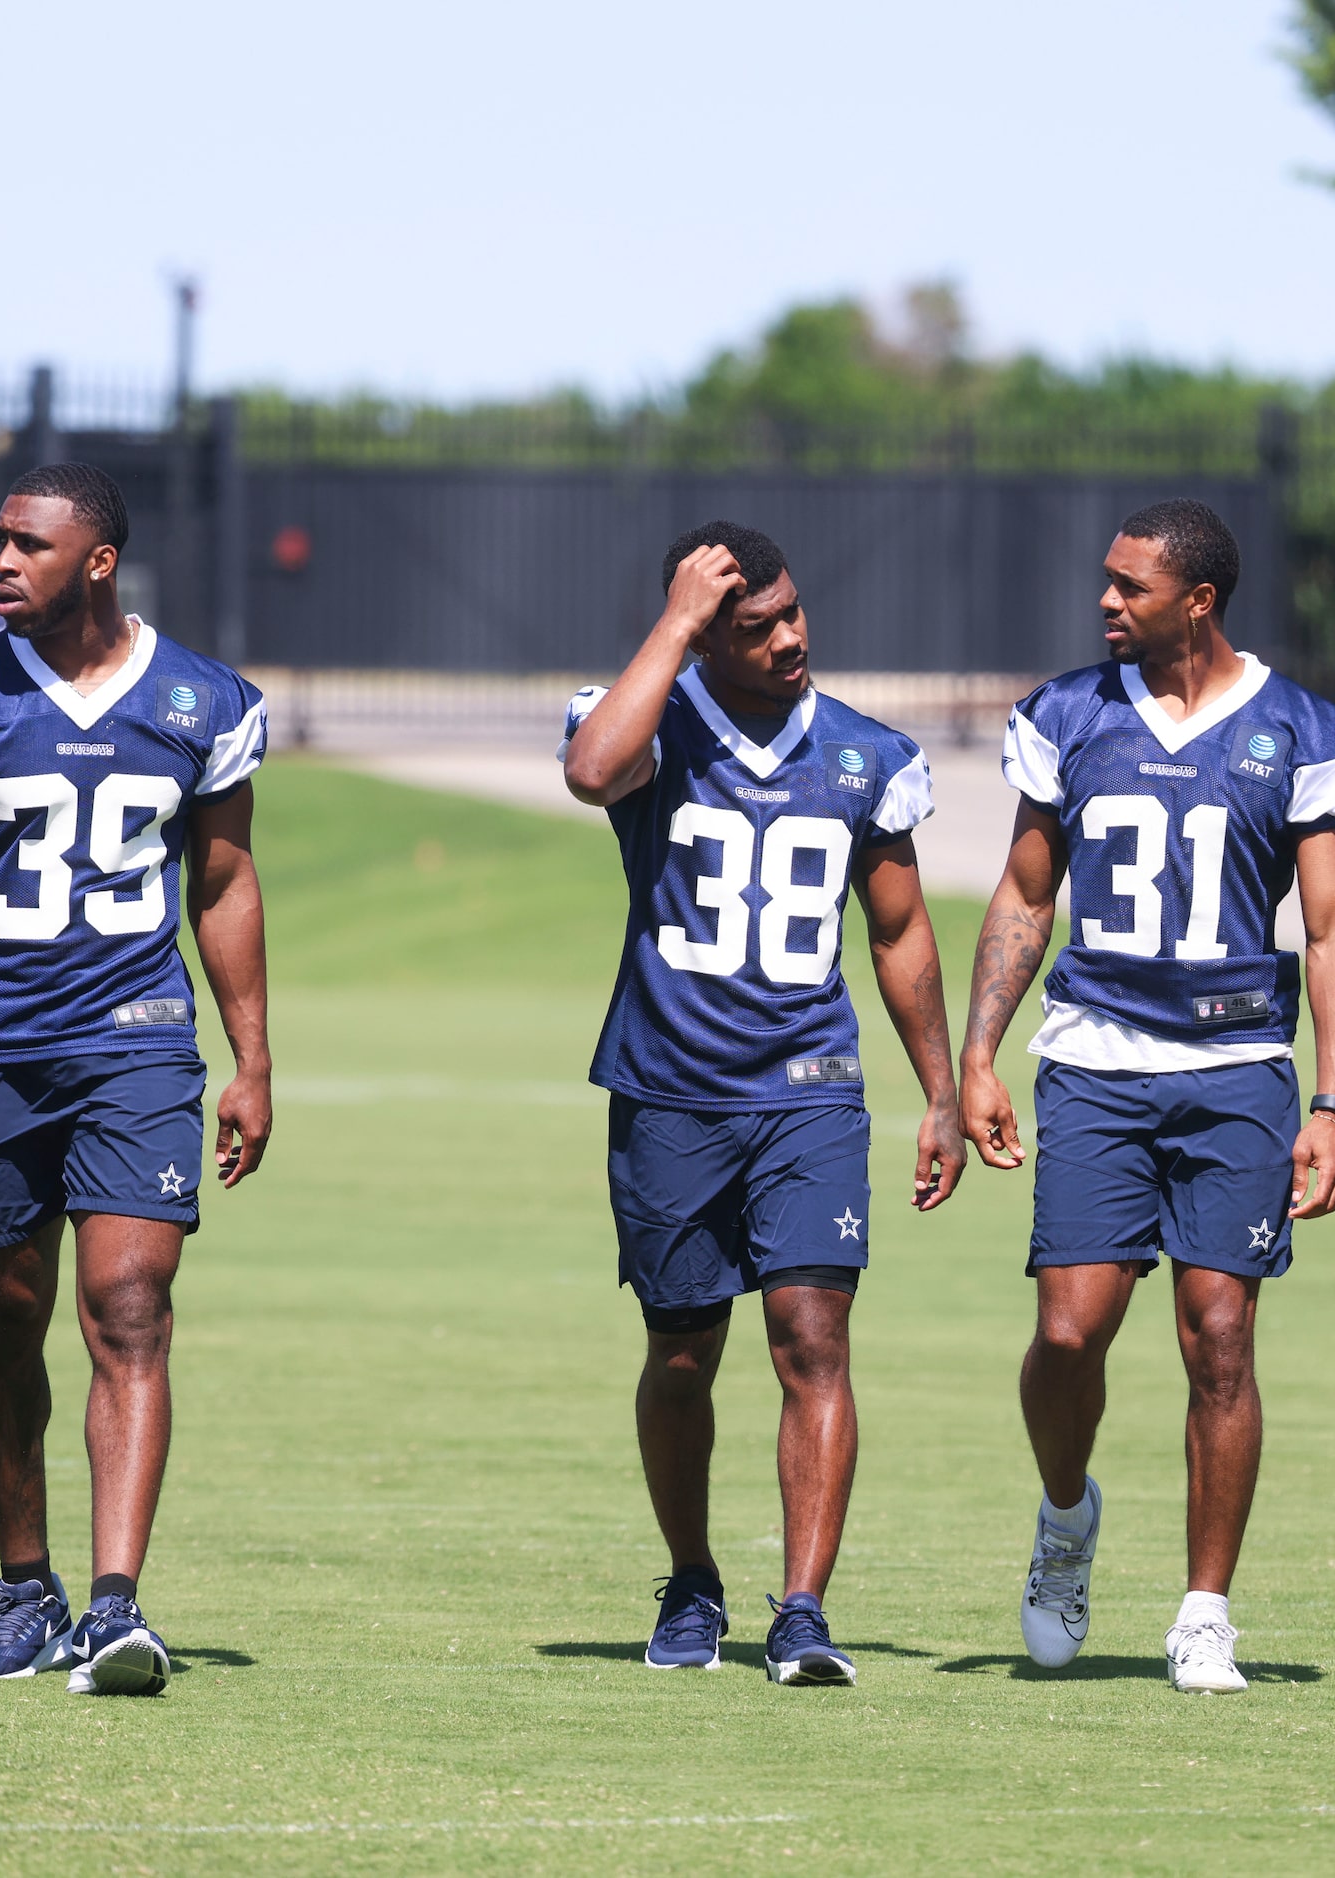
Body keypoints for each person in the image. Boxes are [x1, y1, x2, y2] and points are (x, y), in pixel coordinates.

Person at [958, 498, 1335, 1694]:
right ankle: (1064, 1516)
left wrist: (1331, 1107)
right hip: (1093, 1061)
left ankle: (1203, 1610)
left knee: (1220, 1341)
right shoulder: (1066, 716)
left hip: (1237, 1070)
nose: (1104, 602)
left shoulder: (1298, 729)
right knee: (1067, 1331)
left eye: (1128, 586)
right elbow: (1025, 896)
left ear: (1195, 601)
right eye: (1104, 580)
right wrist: (982, 1053)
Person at [0, 464, 271, 1695]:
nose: (1, 562)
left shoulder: (205, 701)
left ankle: (113, 1605)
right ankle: (20, 1584)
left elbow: (221, 886)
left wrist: (251, 1056)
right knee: (3, 1314)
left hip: (138, 1043)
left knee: (128, 1304)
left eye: (29, 545)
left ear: (96, 561)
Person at [561, 521, 962, 1688]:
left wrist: (938, 1089)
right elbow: (592, 772)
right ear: (701, 634)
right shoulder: (646, 720)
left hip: (809, 1093)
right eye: (754, 626)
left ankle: (801, 1611)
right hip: (668, 1090)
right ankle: (690, 1580)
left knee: (813, 1341)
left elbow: (896, 931)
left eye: (791, 612)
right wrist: (678, 627)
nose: (788, 639)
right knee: (681, 1353)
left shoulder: (864, 754)